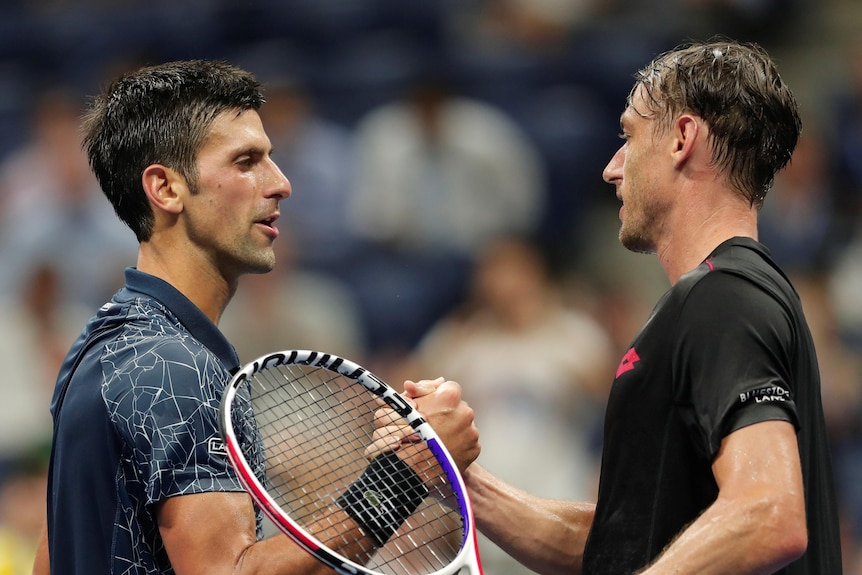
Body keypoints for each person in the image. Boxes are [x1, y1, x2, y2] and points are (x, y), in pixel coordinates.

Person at [400, 38, 843, 574]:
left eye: (629, 137)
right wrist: (455, 477)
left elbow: (769, 513)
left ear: (682, 138)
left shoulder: (725, 296)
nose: (612, 168)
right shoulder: (717, 299)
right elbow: (622, 546)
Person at [32, 59, 480, 575]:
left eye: (272, 158)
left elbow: (53, 556)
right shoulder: (174, 365)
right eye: (247, 161)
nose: (282, 183)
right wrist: (406, 473)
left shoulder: (102, 342)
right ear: (166, 189)